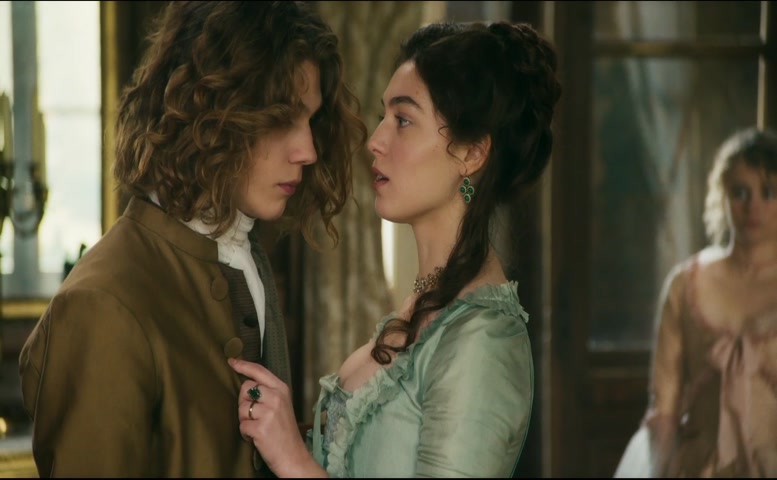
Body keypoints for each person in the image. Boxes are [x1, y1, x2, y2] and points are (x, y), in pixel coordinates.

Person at [18, 1, 366, 477]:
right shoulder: (101, 304)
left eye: (310, 120)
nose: (307, 150)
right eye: (282, 118)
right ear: (214, 111)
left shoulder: (246, 254)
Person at [227, 19, 562, 478]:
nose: (376, 141)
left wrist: (292, 457)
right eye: (384, 116)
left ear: (471, 153)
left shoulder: (483, 338)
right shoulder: (426, 303)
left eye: (403, 120)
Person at [615, 126, 777, 478]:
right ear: (722, 196)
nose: (753, 206)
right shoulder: (687, 284)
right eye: (740, 192)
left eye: (769, 192)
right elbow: (665, 404)